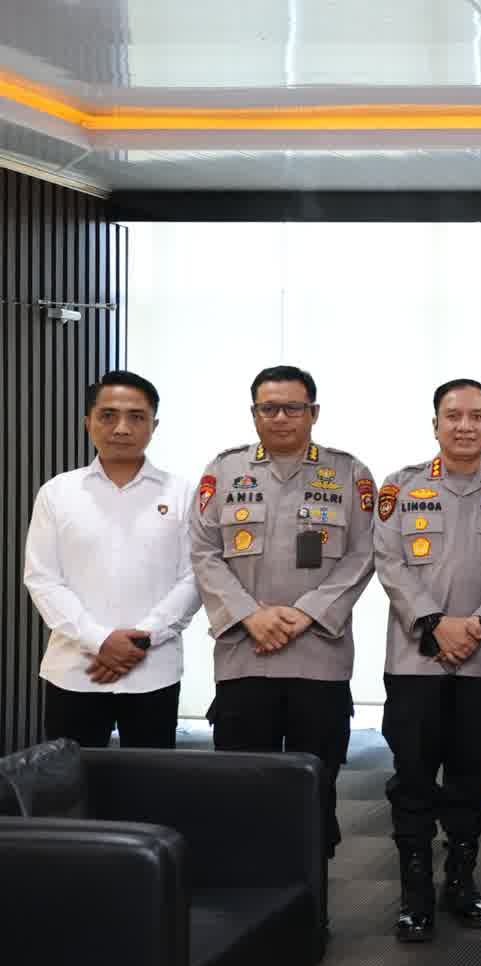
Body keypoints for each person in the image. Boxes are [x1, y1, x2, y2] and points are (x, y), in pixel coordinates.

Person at [189, 365, 376, 856]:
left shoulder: (350, 473)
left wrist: (308, 613)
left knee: (316, 784)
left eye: (293, 407)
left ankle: (313, 892)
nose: (280, 417)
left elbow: (364, 553)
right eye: (268, 408)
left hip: (319, 657)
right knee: (243, 786)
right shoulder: (223, 471)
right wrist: (250, 615)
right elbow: (204, 552)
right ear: (253, 414)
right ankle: (248, 886)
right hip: (244, 656)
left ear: (314, 412)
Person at [373, 379, 481, 942]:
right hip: (416, 662)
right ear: (435, 424)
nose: (464, 426)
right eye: (453, 415)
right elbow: (388, 561)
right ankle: (414, 893)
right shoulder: (400, 487)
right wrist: (434, 623)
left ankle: (461, 879)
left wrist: (477, 624)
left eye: (476, 416)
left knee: (471, 777)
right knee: (412, 778)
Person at [25, 370, 201, 750]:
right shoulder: (57, 493)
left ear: (154, 425)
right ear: (88, 422)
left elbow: (194, 578)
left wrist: (139, 641)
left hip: (153, 672)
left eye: (136, 417)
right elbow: (42, 578)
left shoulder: (183, 493)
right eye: (108, 415)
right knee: (70, 780)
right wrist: (100, 639)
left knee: (150, 780)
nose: (122, 428)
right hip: (75, 671)